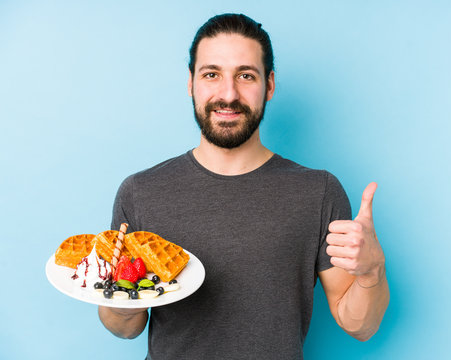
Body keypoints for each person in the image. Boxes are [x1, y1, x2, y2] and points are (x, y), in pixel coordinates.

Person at [98, 13, 389, 360]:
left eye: (245, 76)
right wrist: (120, 295)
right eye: (212, 74)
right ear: (191, 83)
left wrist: (372, 271)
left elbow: (359, 324)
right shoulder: (141, 191)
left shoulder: (318, 192)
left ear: (269, 85)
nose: (228, 94)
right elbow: (125, 328)